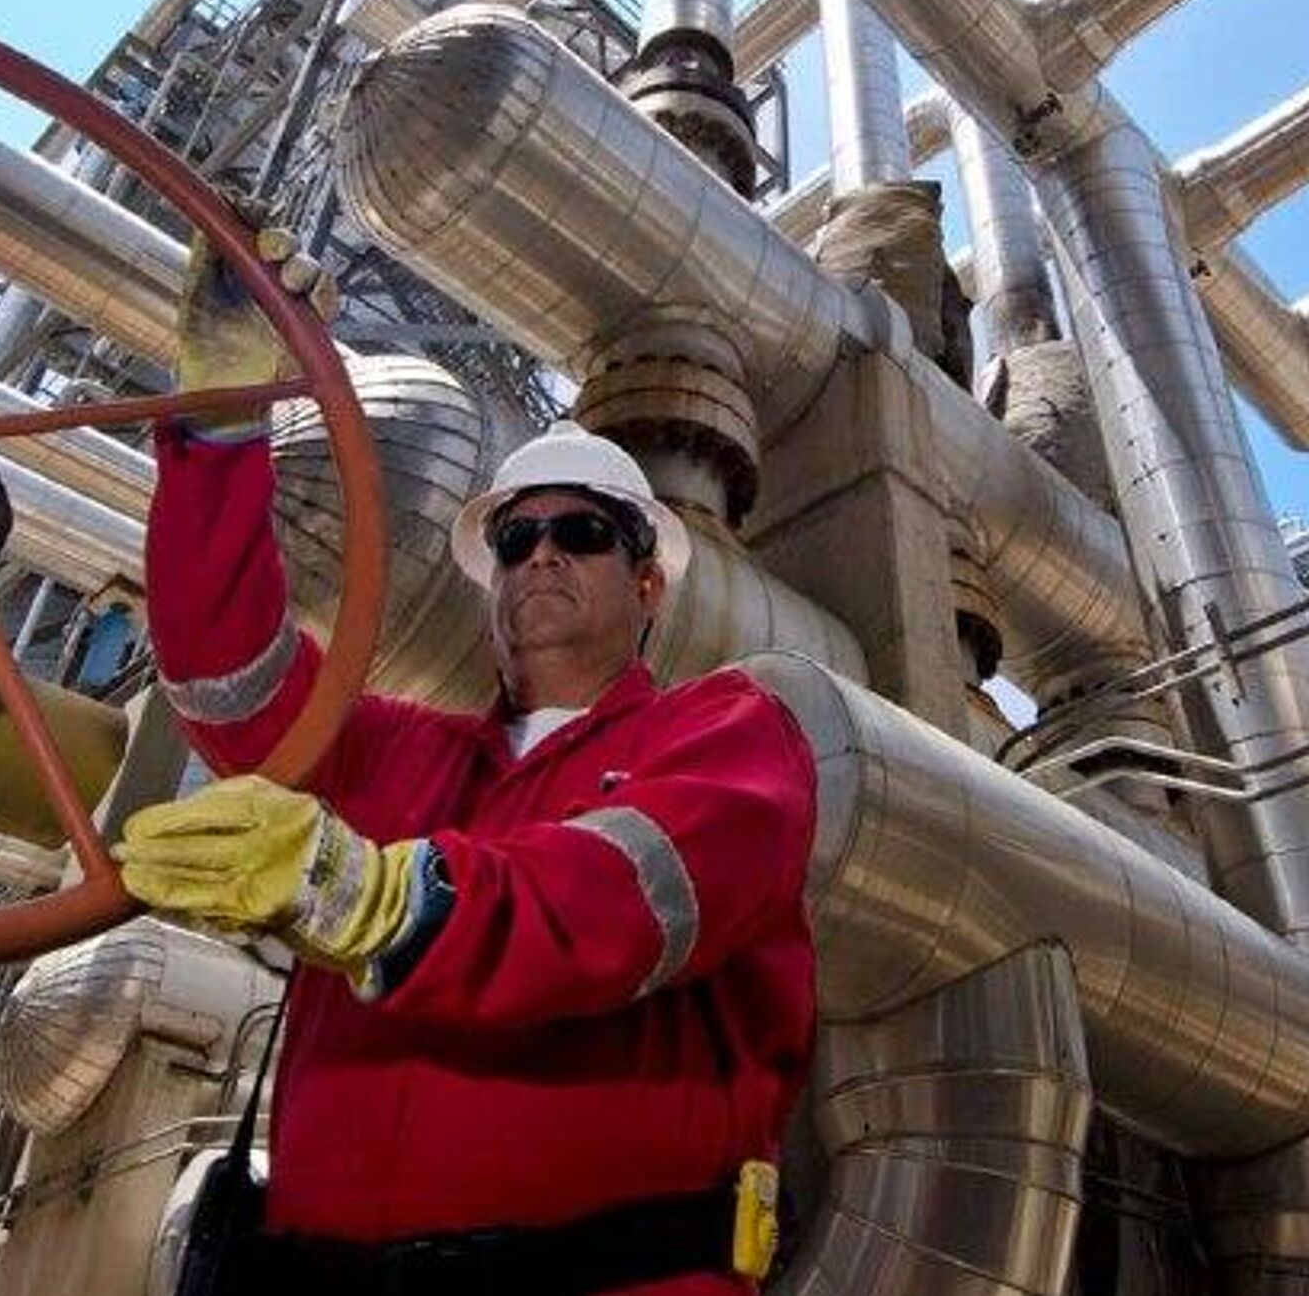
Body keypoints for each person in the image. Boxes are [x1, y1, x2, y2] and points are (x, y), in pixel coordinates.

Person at [114, 232, 818, 1295]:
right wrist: (219, 424)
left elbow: (620, 901)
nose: (542, 554)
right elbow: (226, 677)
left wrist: (372, 896)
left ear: (648, 587)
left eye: (582, 532)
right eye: (515, 541)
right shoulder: (394, 750)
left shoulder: (729, 731)